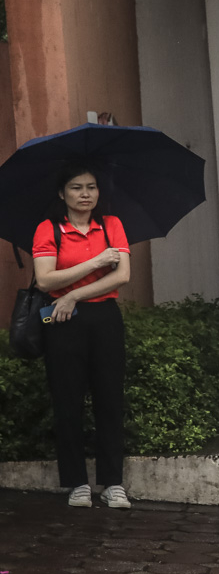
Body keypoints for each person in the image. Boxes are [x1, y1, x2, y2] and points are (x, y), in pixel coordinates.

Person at [32, 162, 132, 509]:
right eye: (76, 187)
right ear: (62, 193)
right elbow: (45, 280)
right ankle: (76, 483)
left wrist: (73, 293)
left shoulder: (112, 225)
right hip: (61, 322)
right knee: (67, 401)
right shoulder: (48, 230)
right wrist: (93, 264)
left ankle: (113, 483)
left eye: (91, 187)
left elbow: (122, 276)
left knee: (109, 400)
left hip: (103, 316)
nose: (85, 194)